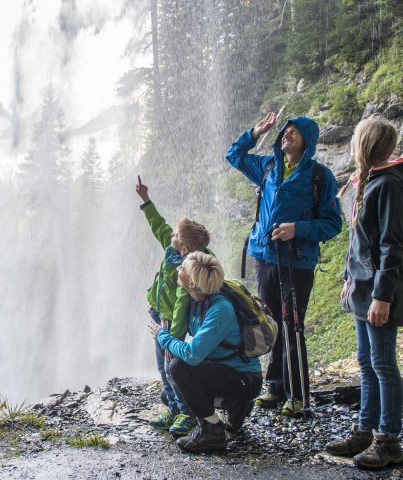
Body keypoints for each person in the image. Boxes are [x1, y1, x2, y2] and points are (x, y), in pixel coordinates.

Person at [226, 112, 342, 416]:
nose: (286, 134)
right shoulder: (268, 166)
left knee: (293, 325)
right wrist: (255, 131)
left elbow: (332, 224)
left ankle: (299, 395)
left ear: (308, 141)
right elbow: (233, 155)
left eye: (295, 131)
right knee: (272, 322)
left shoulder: (319, 176)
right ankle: (276, 387)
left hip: (297, 261)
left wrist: (298, 229)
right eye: (285, 130)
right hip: (264, 256)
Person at [325, 117, 403, 469]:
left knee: (383, 364)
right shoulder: (368, 179)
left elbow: (391, 247)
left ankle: (389, 441)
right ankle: (365, 430)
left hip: (380, 290)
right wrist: (350, 282)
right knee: (366, 361)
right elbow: (359, 244)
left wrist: (382, 297)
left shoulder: (389, 185)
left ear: (365, 144)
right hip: (363, 287)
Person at [149, 252, 263, 453]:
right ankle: (236, 406)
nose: (178, 269)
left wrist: (162, 336)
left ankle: (213, 431)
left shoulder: (220, 309)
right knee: (170, 396)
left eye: (182, 268)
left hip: (244, 379)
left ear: (192, 283)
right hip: (223, 372)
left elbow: (193, 354)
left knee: (179, 367)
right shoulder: (197, 299)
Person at [136, 175, 212, 438]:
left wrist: (174, 339)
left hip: (169, 322)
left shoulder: (188, 268)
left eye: (177, 235)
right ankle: (172, 407)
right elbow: (159, 225)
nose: (172, 235)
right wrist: (146, 200)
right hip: (159, 314)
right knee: (161, 367)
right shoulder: (172, 250)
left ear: (187, 246)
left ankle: (185, 413)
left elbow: (181, 305)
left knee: (169, 365)